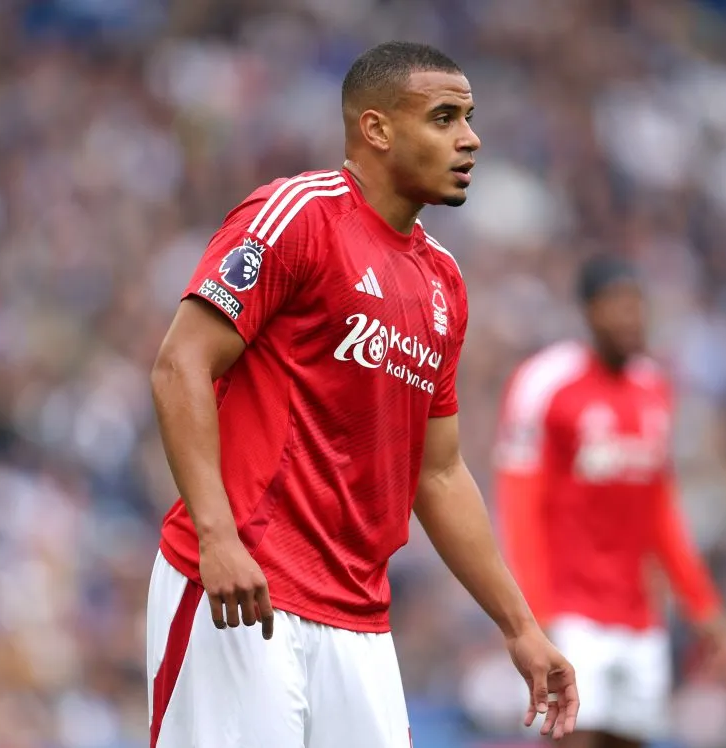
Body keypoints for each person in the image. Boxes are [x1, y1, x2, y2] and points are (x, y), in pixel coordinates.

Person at [145, 40, 579, 748]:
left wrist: (520, 626)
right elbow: (178, 366)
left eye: (469, 118)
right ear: (375, 129)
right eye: (444, 118)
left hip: (359, 619)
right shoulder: (298, 216)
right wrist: (218, 539)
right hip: (245, 588)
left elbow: (437, 473)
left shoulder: (443, 283)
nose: (470, 139)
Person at [493, 254, 726, 748]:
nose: (632, 317)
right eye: (618, 305)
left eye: (638, 304)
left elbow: (660, 512)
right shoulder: (546, 382)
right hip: (569, 608)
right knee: (573, 738)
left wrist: (702, 605)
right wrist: (533, 615)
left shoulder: (653, 389)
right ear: (588, 311)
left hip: (638, 616)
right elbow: (519, 507)